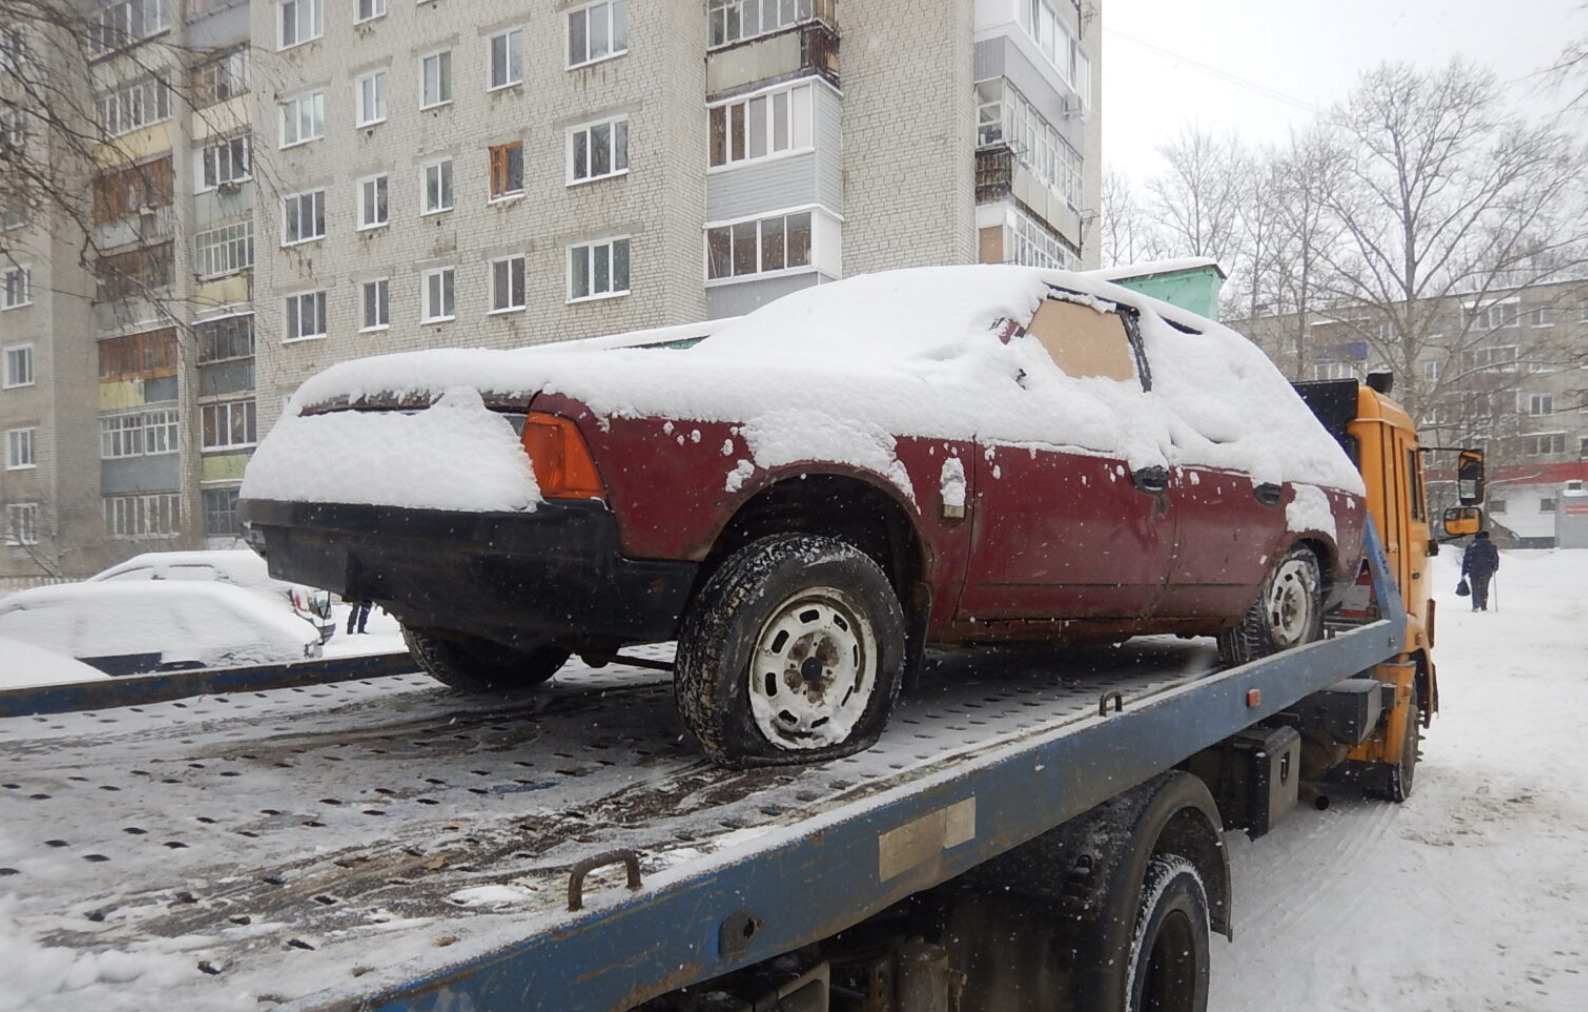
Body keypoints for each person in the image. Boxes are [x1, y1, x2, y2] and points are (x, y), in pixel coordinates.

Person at [1461, 530, 1500, 611]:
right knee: (1484, 588)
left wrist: (1464, 571)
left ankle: (1475, 605)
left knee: (1475, 588)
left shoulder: (1471, 547)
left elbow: (1466, 559)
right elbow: (1495, 558)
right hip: (1487, 570)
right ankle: (1483, 605)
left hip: (1474, 570)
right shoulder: (1492, 547)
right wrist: (1494, 567)